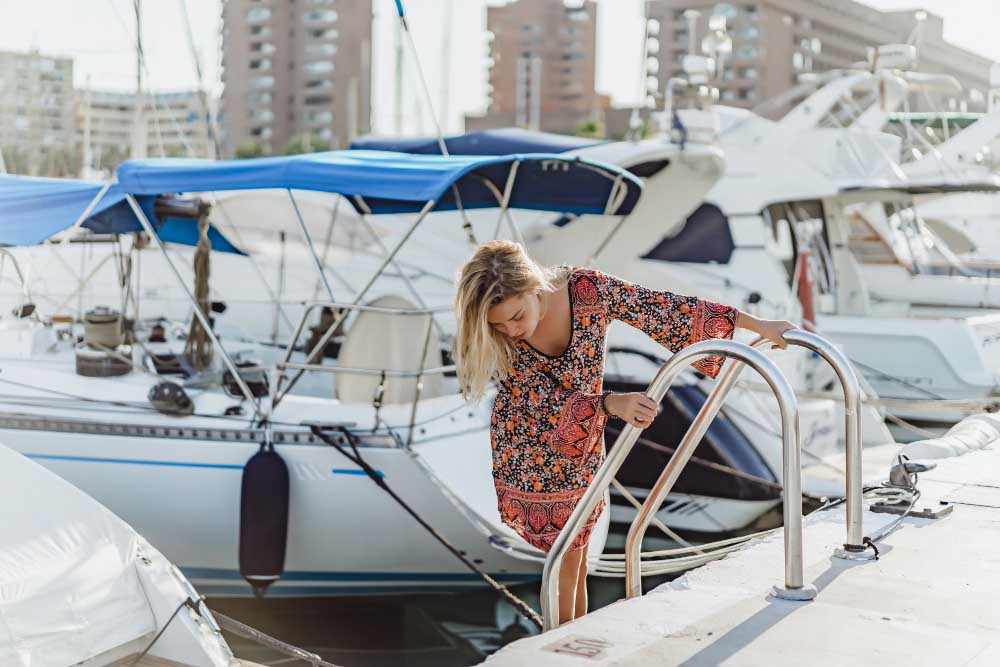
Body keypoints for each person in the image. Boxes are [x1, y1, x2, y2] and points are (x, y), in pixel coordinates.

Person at [453, 240, 794, 626]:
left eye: (515, 316)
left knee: (577, 559)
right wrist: (610, 404)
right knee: (566, 559)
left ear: (534, 287)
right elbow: (537, 402)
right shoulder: (504, 338)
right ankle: (561, 642)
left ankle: (564, 642)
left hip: (582, 446)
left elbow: (666, 308)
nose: (510, 330)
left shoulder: (587, 291)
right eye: (497, 324)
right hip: (529, 445)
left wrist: (759, 326)